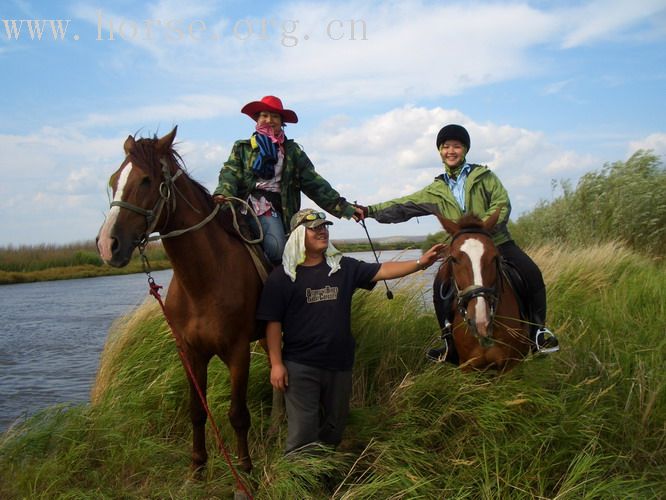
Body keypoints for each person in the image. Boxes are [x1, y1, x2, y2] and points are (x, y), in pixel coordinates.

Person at [356, 124, 559, 361]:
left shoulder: (485, 177)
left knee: (530, 272)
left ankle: (537, 334)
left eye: (457, 146)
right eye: (446, 146)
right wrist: (369, 211)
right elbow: (403, 205)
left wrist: (480, 230)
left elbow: (501, 204)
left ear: (465, 149)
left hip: (497, 243)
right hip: (461, 252)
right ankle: (447, 342)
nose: (451, 151)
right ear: (440, 151)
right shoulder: (436, 189)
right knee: (440, 285)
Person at [256, 208, 445, 454]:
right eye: (315, 228)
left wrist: (422, 263)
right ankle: (299, 479)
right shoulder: (282, 277)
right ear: (298, 235)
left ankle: (324, 472)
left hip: (340, 364)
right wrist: (277, 364)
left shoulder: (341, 267)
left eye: (324, 227)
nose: (323, 231)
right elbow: (272, 323)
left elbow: (382, 270)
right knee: (303, 434)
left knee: (334, 428)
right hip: (301, 366)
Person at [213, 95, 363, 265]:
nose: (269, 120)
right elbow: (229, 173)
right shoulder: (242, 147)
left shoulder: (292, 152)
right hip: (243, 204)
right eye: (264, 115)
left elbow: (315, 184)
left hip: (275, 209)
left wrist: (345, 208)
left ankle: (279, 288)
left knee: (277, 249)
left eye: (275, 116)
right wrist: (223, 193)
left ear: (282, 121)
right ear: (257, 119)